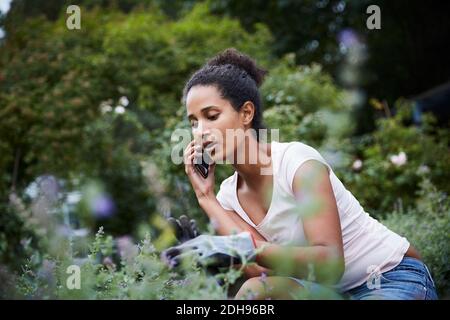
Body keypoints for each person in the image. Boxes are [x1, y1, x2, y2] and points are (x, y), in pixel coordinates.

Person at [164, 48, 438, 300]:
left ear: (246, 113)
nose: (200, 131)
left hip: (390, 278)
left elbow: (330, 264)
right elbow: (265, 274)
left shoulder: (296, 162)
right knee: (255, 292)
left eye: (211, 116)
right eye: (193, 122)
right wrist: (206, 199)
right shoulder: (226, 196)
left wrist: (241, 247)